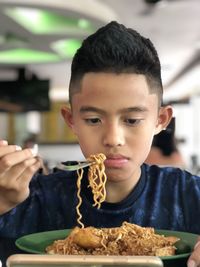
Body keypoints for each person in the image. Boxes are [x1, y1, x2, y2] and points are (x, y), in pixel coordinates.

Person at [0, 21, 199, 267]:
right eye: (93, 119)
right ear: (71, 121)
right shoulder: (28, 199)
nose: (113, 138)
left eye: (132, 120)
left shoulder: (189, 196)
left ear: (160, 121)